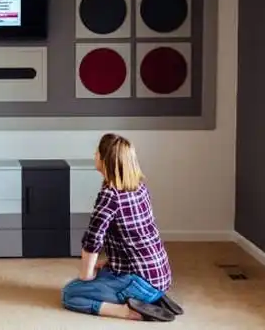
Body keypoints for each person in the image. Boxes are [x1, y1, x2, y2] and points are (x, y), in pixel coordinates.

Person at [61, 133, 183, 322]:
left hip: (140, 282)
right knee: (102, 272)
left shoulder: (110, 196)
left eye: (97, 152)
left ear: (105, 160)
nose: (94, 155)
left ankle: (129, 311)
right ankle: (154, 299)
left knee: (70, 293)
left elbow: (92, 241)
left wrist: (86, 276)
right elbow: (134, 238)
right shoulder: (139, 188)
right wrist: (107, 263)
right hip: (159, 276)